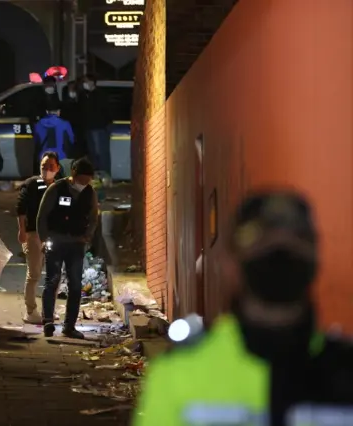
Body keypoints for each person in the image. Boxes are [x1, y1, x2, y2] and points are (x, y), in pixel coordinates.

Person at [134, 191, 353, 425]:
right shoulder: (177, 373)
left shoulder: (346, 370)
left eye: (293, 242)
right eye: (264, 243)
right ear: (229, 263)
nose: (279, 254)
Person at [37, 157, 98, 339]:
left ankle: (69, 326)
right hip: (56, 241)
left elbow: (94, 216)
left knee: (75, 285)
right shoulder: (56, 189)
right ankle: (48, 321)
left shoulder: (89, 193)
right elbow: (42, 215)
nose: (84, 184)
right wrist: (43, 239)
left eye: (87, 181)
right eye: (82, 180)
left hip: (77, 244)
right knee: (52, 280)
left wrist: (88, 236)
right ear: (73, 174)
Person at [17, 151, 61, 324]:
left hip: (54, 235)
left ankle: (49, 308)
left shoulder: (59, 187)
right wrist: (21, 231)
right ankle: (31, 310)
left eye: (51, 166)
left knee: (54, 274)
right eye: (44, 166)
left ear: (57, 168)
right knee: (34, 273)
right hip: (33, 234)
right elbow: (20, 209)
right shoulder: (31, 184)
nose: (47, 170)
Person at [79, 74, 111, 174]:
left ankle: (104, 173)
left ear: (92, 82)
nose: (84, 84)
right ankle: (96, 173)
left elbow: (105, 111)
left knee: (100, 152)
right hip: (89, 127)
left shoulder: (99, 95)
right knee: (92, 152)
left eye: (86, 81)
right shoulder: (84, 95)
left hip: (99, 127)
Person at [33, 99, 74, 169]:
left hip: (43, 158)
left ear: (46, 111)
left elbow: (35, 142)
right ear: (58, 111)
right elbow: (71, 141)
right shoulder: (65, 124)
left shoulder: (38, 124)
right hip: (61, 158)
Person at [61, 80, 84, 159]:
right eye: (70, 87)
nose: (72, 88)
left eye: (73, 87)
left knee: (78, 144)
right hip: (67, 125)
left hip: (78, 126)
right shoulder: (65, 100)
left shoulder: (80, 98)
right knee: (68, 144)